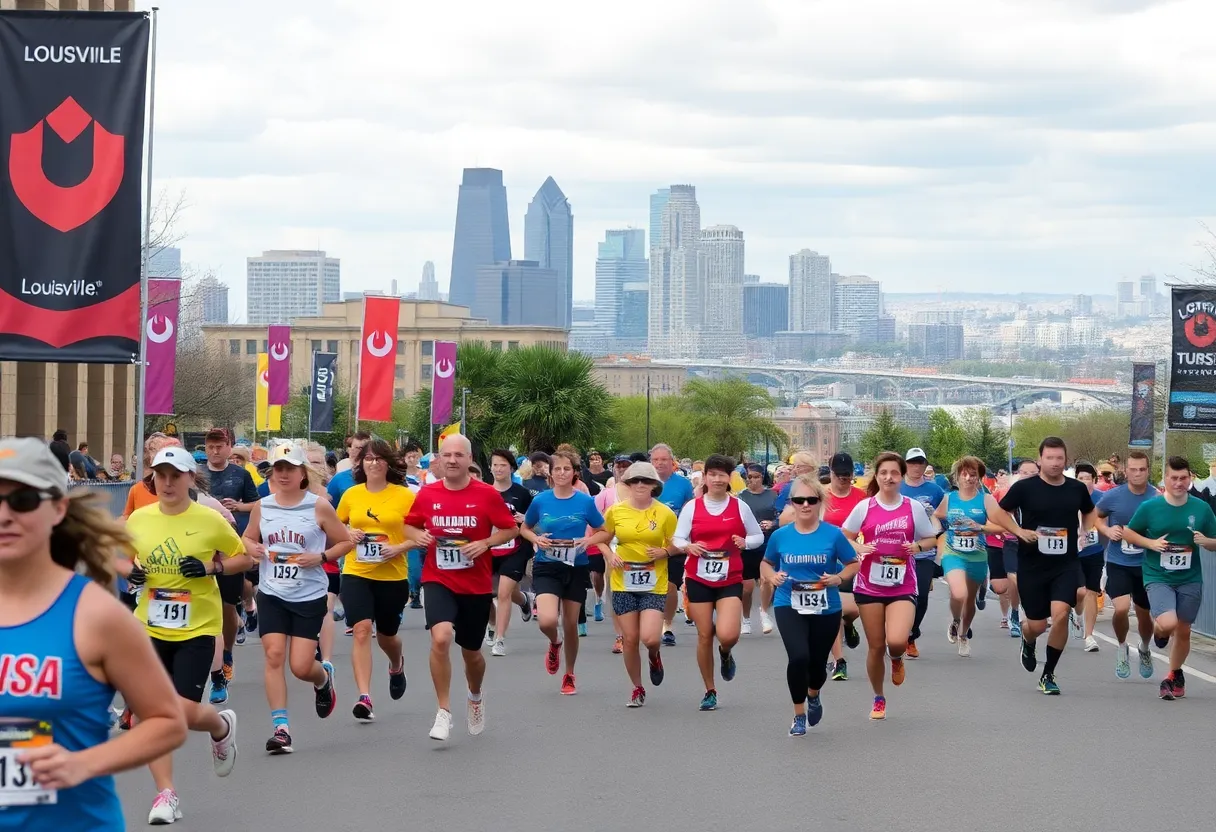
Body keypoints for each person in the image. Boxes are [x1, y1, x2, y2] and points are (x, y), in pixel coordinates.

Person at [0, 438, 187, 830]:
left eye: (22, 502)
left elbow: (167, 720)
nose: (4, 516)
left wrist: (80, 763)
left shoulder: (94, 615)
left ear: (58, 508)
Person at [120, 446, 247, 824]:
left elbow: (244, 558)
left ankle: (221, 726)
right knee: (150, 712)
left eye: (176, 475)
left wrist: (211, 566)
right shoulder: (139, 519)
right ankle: (166, 794)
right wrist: (129, 570)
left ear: (191, 478)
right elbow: (117, 554)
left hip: (197, 627)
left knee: (179, 711)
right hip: (149, 624)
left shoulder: (209, 520)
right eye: (161, 475)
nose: (168, 482)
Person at [405, 435, 518, 741]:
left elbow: (510, 528)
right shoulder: (428, 494)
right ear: (438, 460)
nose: (452, 460)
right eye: (446, 455)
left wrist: (486, 542)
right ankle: (443, 712)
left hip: (475, 583)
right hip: (438, 577)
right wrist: (418, 536)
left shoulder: (486, 495)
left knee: (472, 654)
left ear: (470, 460)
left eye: (458, 455)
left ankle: (476, 695)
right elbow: (409, 524)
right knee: (440, 639)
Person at [242, 445, 350, 753]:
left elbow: (344, 542)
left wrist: (321, 556)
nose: (284, 474)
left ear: (303, 472)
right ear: (272, 473)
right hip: (272, 592)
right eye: (278, 468)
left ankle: (322, 679)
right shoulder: (263, 506)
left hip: (309, 594)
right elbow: (247, 537)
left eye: (290, 468)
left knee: (301, 667)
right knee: (274, 656)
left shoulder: (318, 506)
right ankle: (281, 728)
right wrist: (253, 548)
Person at [841, 452, 937, 720]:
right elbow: (844, 536)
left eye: (894, 473)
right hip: (869, 585)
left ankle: (897, 658)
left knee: (895, 641)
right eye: (883, 473)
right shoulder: (865, 507)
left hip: (902, 585)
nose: (889, 477)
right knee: (875, 646)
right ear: (877, 476)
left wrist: (917, 546)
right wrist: (858, 545)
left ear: (901, 475)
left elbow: (931, 539)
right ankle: (878, 697)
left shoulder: (912, 507)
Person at [998, 437, 1096, 695]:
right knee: (1037, 625)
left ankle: (1048, 673)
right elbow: (999, 512)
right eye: (1049, 458)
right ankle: (1028, 641)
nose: (1054, 463)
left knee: (1062, 613)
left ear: (1066, 461)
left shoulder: (1076, 488)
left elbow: (1089, 511)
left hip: (1066, 563)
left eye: (1059, 458)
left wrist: (1086, 529)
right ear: (1040, 459)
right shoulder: (1025, 488)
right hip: (1032, 565)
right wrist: (1018, 531)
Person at [763, 474, 859, 736]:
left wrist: (838, 578)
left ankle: (813, 694)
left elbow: (853, 563)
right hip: (788, 603)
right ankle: (798, 714)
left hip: (825, 607)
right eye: (799, 500)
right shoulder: (780, 536)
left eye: (811, 500)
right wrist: (771, 577)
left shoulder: (833, 535)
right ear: (791, 503)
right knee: (798, 657)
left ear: (820, 502)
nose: (805, 505)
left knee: (817, 665)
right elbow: (766, 563)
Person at [674, 455, 764, 711]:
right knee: (704, 635)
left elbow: (757, 535)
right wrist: (688, 546)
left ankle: (725, 652)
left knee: (728, 634)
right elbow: (678, 537)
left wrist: (745, 543)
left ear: (729, 479)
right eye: (712, 474)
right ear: (705, 478)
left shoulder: (739, 507)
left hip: (729, 578)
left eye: (722, 475)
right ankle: (710, 690)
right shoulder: (693, 507)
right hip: (698, 577)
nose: (716, 479)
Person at [583, 461, 677, 707]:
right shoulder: (616, 511)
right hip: (623, 581)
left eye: (645, 481)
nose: (640, 485)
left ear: (654, 485)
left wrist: (664, 552)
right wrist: (609, 554)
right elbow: (600, 536)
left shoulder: (665, 513)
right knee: (630, 638)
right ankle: (637, 687)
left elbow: (678, 543)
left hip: (654, 582)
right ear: (627, 484)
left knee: (650, 638)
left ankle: (654, 657)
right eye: (634, 481)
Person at [1123, 456, 1216, 700]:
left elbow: (1214, 540)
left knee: (1183, 630)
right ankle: (1160, 631)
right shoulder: (1150, 507)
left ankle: (1173, 675)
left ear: (1189, 479)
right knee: (1168, 623)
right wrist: (1150, 543)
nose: (1178, 483)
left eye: (1183, 478)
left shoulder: (1201, 508)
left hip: (1190, 576)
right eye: (1173, 478)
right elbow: (1129, 533)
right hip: (1158, 575)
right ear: (1165, 479)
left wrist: (1208, 542)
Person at [334, 439, 414, 722]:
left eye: (379, 458)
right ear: (361, 464)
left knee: (387, 636)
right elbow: (334, 525)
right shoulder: (352, 495)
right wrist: (348, 532)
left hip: (392, 575)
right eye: (368, 458)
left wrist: (398, 547)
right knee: (361, 629)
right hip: (357, 571)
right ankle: (364, 697)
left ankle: (396, 663)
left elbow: (422, 534)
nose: (374, 463)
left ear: (389, 463)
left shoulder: (405, 496)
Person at [520, 449, 605, 695]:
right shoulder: (541, 500)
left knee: (570, 623)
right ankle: (554, 643)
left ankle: (569, 674)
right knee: (547, 620)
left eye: (566, 469)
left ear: (574, 473)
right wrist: (536, 538)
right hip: (547, 565)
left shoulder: (585, 501)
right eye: (557, 469)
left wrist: (587, 542)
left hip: (576, 567)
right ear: (550, 472)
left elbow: (604, 531)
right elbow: (524, 528)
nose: (561, 473)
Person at [200, 428, 260, 706]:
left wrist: (238, 505)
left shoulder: (241, 474)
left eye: (220, 446)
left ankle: (226, 655)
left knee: (227, 606)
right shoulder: (196, 474)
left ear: (229, 447)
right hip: (200, 549)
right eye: (210, 446)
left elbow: (256, 504)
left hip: (231, 546)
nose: (215, 451)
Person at [934, 456, 1017, 658]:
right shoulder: (949, 498)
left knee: (969, 600)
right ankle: (955, 621)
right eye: (965, 474)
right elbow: (936, 515)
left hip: (977, 555)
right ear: (957, 476)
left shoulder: (985, 499)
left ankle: (964, 635)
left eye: (974, 475)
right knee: (958, 593)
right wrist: (937, 532)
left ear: (979, 478)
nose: (969, 478)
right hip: (953, 552)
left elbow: (1002, 524)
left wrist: (980, 527)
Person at [1095, 450, 1159, 680]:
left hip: (1146, 564)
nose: (1138, 474)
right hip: (1118, 561)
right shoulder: (1114, 496)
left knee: (1144, 614)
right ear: (1126, 470)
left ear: (1148, 471)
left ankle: (1143, 647)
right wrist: (1106, 529)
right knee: (1121, 608)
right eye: (1133, 469)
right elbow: (1097, 516)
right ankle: (1122, 646)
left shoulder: (1157, 497)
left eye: (1142, 469)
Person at [486, 449, 535, 656]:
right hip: (488, 547)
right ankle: (524, 601)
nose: (498, 469)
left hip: (515, 548)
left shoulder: (522, 493)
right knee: (487, 593)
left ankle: (499, 639)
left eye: (503, 465)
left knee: (504, 592)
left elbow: (534, 523)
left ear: (511, 468)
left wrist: (525, 519)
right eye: (495, 464)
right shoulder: (483, 492)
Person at [899, 447, 945, 659]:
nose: (917, 467)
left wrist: (939, 556)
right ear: (905, 464)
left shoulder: (935, 490)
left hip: (924, 551)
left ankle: (911, 634)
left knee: (922, 597)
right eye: (912, 462)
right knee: (899, 596)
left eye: (921, 463)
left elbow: (941, 521)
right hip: (897, 551)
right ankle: (897, 633)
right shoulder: (896, 486)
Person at [650, 444, 695, 647]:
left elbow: (690, 512)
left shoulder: (683, 484)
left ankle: (667, 625)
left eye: (664, 460)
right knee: (650, 587)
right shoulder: (644, 482)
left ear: (672, 462)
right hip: (646, 543)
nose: (659, 463)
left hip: (674, 544)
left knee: (670, 586)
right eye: (655, 460)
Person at [738, 463, 777, 637]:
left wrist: (773, 524)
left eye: (756, 477)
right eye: (750, 477)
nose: (752, 480)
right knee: (746, 588)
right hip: (747, 545)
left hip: (767, 544)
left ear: (763, 477)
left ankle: (763, 613)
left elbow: (781, 516)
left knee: (766, 581)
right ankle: (745, 619)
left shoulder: (772, 495)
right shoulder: (741, 497)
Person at [1070, 462, 1106, 651]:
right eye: (1080, 478)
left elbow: (1109, 521)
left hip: (1095, 551)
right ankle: (1076, 614)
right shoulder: (1068, 497)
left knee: (1091, 591)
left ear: (1094, 480)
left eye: (1087, 478)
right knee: (1079, 592)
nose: (1084, 482)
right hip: (1073, 553)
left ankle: (1089, 636)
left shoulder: (1102, 498)